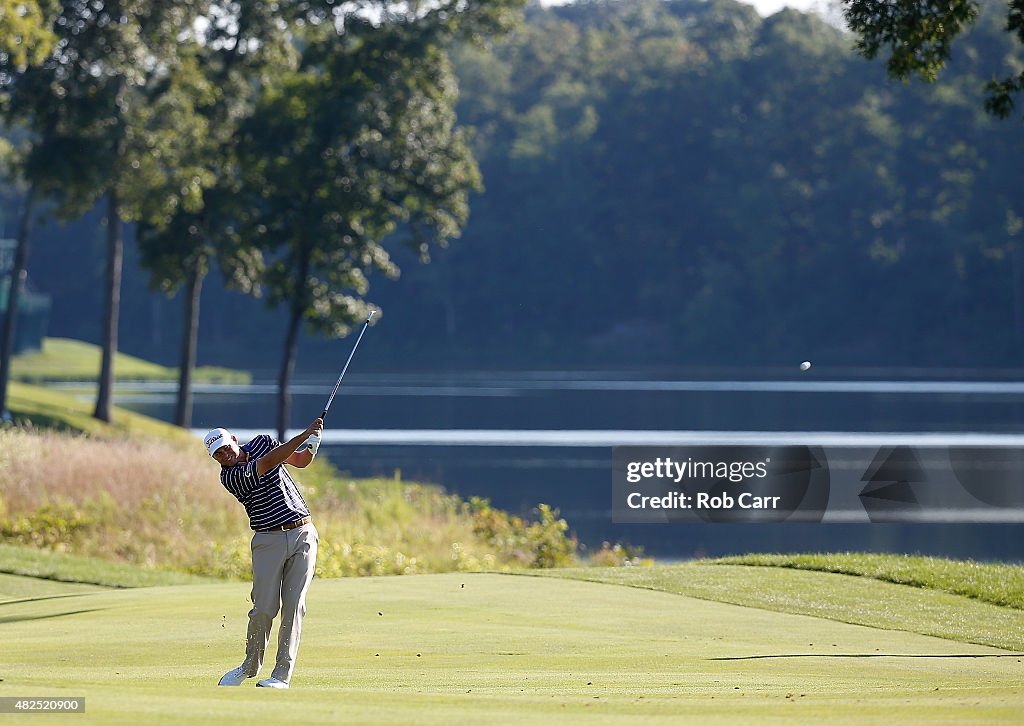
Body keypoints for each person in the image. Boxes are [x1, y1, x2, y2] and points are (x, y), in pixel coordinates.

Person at [204, 417, 324, 689]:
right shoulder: (230, 477)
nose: (225, 455)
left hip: (303, 532)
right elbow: (269, 463)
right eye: (218, 455)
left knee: (294, 606)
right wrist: (305, 433)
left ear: (234, 439)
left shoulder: (263, 442)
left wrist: (313, 443)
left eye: (225, 448)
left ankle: (281, 675)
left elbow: (300, 461)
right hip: (267, 540)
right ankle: (250, 665)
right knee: (264, 609)